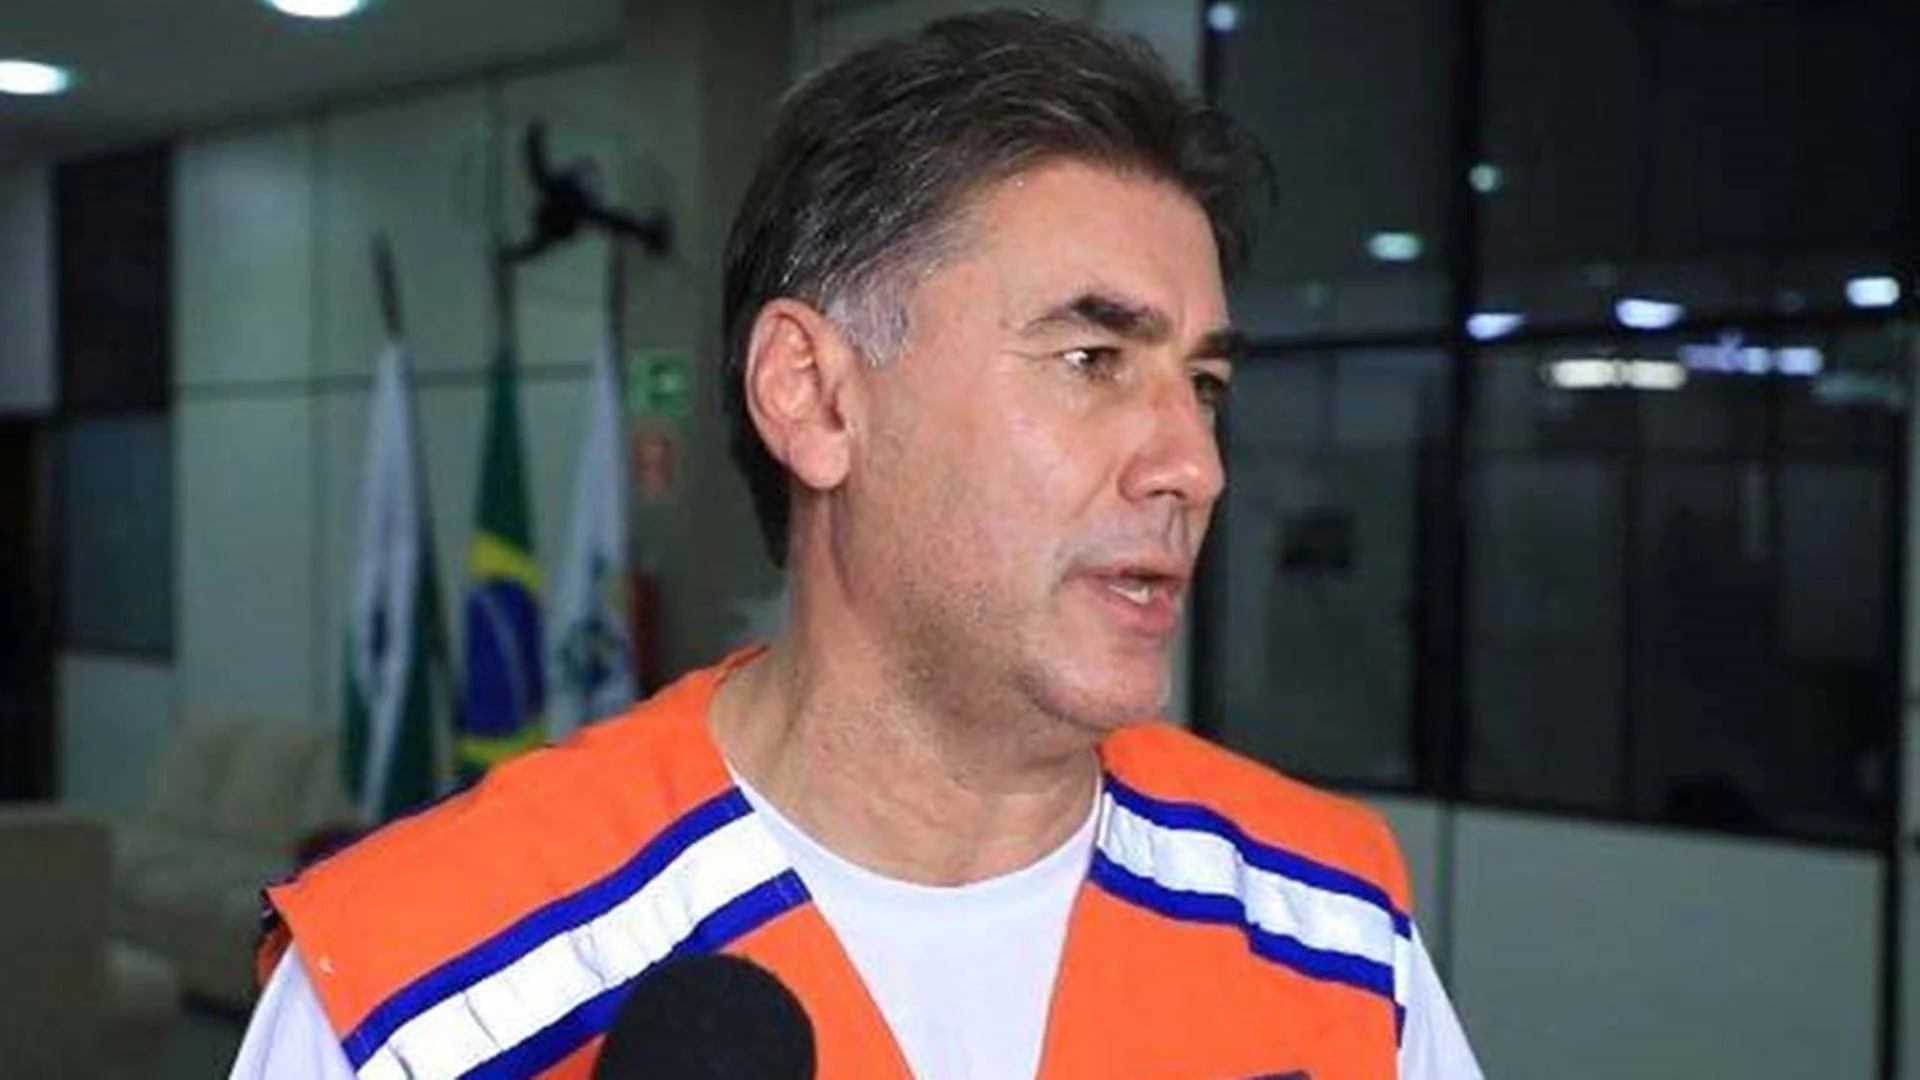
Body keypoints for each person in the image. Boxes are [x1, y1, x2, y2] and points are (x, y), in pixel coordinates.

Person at [231, 12, 1484, 1079]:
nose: (1195, 467)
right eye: (1092, 359)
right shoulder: (427, 998)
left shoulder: (1333, 935)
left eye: (1202, 385)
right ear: (817, 399)